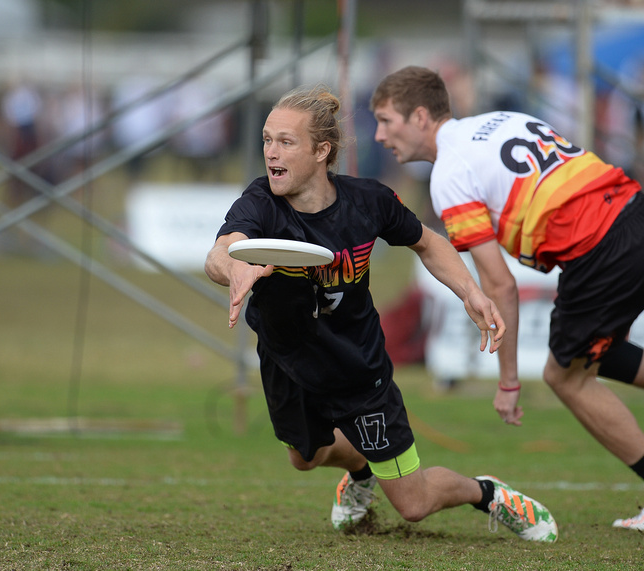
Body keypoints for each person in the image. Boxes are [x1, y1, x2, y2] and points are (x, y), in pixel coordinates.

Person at [369, 65, 644, 532]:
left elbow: (499, 286)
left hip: (601, 248)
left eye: (386, 121)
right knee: (593, 352)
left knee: (564, 375)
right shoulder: (501, 120)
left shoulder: (449, 175)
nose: (377, 135)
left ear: (419, 117)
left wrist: (508, 380)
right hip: (643, 218)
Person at [204, 85, 559, 542]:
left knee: (414, 505)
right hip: (287, 363)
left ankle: (486, 493)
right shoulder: (259, 203)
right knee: (304, 457)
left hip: (358, 371)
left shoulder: (368, 201)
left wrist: (470, 290)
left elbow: (427, 242)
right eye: (268, 140)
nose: (272, 151)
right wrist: (234, 267)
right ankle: (361, 471)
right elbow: (223, 249)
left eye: (286, 142)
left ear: (321, 151)